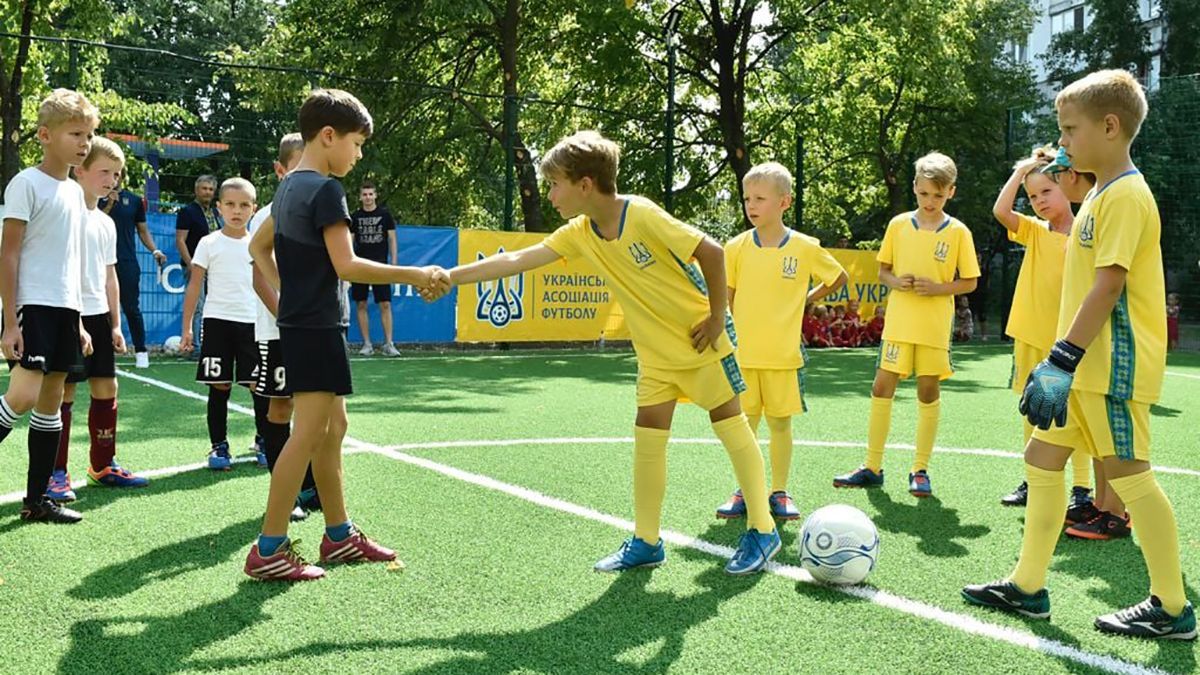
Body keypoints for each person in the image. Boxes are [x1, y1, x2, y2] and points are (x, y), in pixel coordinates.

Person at [432, 130, 783, 576]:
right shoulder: (580, 232)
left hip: (699, 343)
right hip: (655, 357)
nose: (550, 195)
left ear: (585, 185)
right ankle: (647, 541)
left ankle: (762, 528)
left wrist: (717, 317)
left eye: (555, 184)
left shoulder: (642, 214)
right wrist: (451, 276)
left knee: (731, 428)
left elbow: (712, 252)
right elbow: (516, 260)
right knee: (648, 439)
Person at [963, 69, 1195, 640]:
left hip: (1109, 366)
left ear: (1110, 127)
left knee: (1130, 477)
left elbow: (1109, 285)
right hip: (1081, 367)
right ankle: (1028, 586)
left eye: (1070, 130)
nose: (1062, 141)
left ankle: (1172, 608)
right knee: (1042, 459)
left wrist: (1062, 357)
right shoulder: (1096, 194)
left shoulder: (1126, 196)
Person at [244, 89, 439, 581]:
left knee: (334, 429)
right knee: (309, 433)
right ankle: (268, 549)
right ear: (328, 136)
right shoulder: (327, 190)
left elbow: (256, 248)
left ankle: (338, 535)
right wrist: (415, 275)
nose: (358, 154)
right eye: (356, 143)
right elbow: (347, 264)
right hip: (316, 325)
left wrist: (291, 294)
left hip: (305, 322)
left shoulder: (288, 187)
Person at [833, 152, 980, 498]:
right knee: (882, 387)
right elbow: (883, 271)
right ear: (915, 187)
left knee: (927, 390)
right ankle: (872, 467)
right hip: (899, 323)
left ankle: (920, 469)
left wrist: (938, 288)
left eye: (938, 195)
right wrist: (896, 282)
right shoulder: (898, 225)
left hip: (933, 326)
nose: (930, 201)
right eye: (925, 193)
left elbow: (970, 281)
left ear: (951, 192)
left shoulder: (958, 232)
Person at [715, 161, 846, 522]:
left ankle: (779, 491)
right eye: (747, 198)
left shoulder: (805, 247)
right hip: (744, 356)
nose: (751, 205)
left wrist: (807, 298)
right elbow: (727, 297)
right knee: (744, 428)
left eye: (760, 198)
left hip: (784, 357)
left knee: (780, 425)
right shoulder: (736, 247)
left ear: (784, 202)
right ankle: (744, 490)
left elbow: (838, 277)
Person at [0, 89, 99, 523]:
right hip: (32, 306)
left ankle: (37, 501)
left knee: (51, 403)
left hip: (64, 310)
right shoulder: (26, 183)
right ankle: (38, 499)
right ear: (45, 135)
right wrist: (10, 322)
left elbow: (71, 259)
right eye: (75, 134)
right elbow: (8, 254)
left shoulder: (76, 193)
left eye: (89, 135)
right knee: (22, 396)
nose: (84, 143)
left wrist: (79, 320)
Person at [993, 146, 1103, 535]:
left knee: (1074, 413)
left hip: (1068, 343)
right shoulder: (1035, 231)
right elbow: (1001, 211)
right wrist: (1022, 170)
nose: (1039, 201)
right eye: (1032, 195)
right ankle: (1032, 480)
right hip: (1030, 335)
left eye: (1046, 191)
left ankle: (1081, 489)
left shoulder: (1086, 232)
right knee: (1032, 408)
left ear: (1066, 188)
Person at [46, 136, 149, 503]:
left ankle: (103, 466)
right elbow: (60, 270)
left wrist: (115, 324)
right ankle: (55, 472)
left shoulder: (105, 223)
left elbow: (110, 276)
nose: (111, 180)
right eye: (104, 172)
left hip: (99, 316)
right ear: (80, 170)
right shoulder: (64, 215)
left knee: (107, 388)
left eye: (116, 174)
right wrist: (74, 321)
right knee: (64, 391)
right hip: (67, 313)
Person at [248, 132, 321, 522]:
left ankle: (310, 485)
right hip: (280, 331)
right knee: (281, 406)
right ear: (280, 171)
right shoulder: (268, 215)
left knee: (314, 410)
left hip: (313, 329)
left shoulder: (321, 208)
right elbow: (259, 278)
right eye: (298, 167)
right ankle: (285, 491)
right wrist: (289, 318)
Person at [180, 178, 259, 471]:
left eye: (244, 205)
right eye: (230, 204)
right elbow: (194, 286)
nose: (237, 211)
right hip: (217, 324)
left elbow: (272, 285)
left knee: (257, 386)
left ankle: (264, 440)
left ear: (254, 208)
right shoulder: (208, 243)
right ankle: (219, 446)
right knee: (219, 386)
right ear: (219, 207)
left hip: (253, 324)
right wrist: (187, 328)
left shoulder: (259, 245)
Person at [100, 172, 165, 368]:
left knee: (131, 308)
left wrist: (155, 250)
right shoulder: (94, 198)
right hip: (99, 261)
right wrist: (109, 204)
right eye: (109, 173)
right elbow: (92, 223)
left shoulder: (134, 201)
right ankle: (103, 353)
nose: (113, 178)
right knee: (101, 308)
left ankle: (141, 351)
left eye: (117, 174)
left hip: (126, 261)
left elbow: (143, 230)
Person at [349, 181, 400, 356]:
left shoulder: (385, 215)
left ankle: (389, 344)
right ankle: (367, 344)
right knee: (361, 303)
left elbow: (392, 239)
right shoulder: (355, 217)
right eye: (365, 194)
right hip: (359, 266)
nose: (368, 197)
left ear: (375, 195)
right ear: (360, 197)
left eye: (371, 194)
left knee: (385, 304)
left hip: (381, 266)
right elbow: (349, 242)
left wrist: (394, 262)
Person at [175, 175, 221, 353]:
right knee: (197, 306)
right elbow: (180, 240)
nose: (207, 192)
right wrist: (191, 264)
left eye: (211, 189)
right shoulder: (187, 212)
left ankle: (211, 344)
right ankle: (194, 347)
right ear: (196, 190)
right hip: (196, 266)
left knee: (213, 306)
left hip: (215, 267)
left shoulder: (216, 213)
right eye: (204, 188)